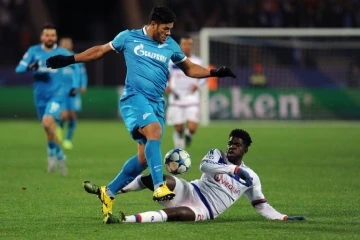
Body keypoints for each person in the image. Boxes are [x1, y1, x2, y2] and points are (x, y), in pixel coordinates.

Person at [46, 6, 236, 221]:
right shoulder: (128, 37)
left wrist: (214, 73)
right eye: (165, 28)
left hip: (156, 103)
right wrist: (70, 59)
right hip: (134, 98)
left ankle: (108, 192)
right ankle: (159, 186)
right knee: (154, 131)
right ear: (153, 24)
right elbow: (99, 51)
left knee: (144, 158)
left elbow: (190, 68)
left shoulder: (170, 45)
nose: (168, 33)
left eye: (170, 29)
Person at [83, 129, 306, 224]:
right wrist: (234, 170)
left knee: (177, 213)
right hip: (191, 190)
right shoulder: (217, 156)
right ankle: (110, 191)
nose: (231, 147)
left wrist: (283, 217)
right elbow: (205, 167)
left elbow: (261, 206)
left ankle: (123, 220)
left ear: (245, 150)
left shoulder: (252, 178)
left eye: (237, 145)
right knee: (159, 179)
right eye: (230, 143)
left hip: (205, 210)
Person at [15, 24, 78, 176]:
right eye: (47, 35)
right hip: (40, 97)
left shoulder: (61, 52)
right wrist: (31, 67)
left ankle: (55, 156)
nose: (50, 38)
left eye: (53, 35)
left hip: (57, 95)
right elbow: (19, 69)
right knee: (48, 129)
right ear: (42, 37)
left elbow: (76, 66)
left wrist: (75, 85)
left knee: (47, 122)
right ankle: (57, 154)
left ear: (56, 38)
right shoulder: (33, 51)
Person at [166, 36, 206, 149]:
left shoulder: (197, 61)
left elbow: (204, 77)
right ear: (180, 45)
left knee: (192, 128)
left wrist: (197, 85)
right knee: (178, 128)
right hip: (176, 97)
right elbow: (164, 75)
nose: (187, 46)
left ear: (191, 46)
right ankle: (180, 149)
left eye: (189, 44)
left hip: (191, 98)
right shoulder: (171, 61)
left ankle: (188, 134)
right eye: (185, 44)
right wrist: (167, 86)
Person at [57, 37, 88, 150]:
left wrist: (83, 85)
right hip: (60, 90)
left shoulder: (77, 57)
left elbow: (82, 73)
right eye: (63, 43)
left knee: (72, 116)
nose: (65, 45)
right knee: (64, 114)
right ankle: (59, 129)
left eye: (68, 43)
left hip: (73, 89)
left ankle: (68, 139)